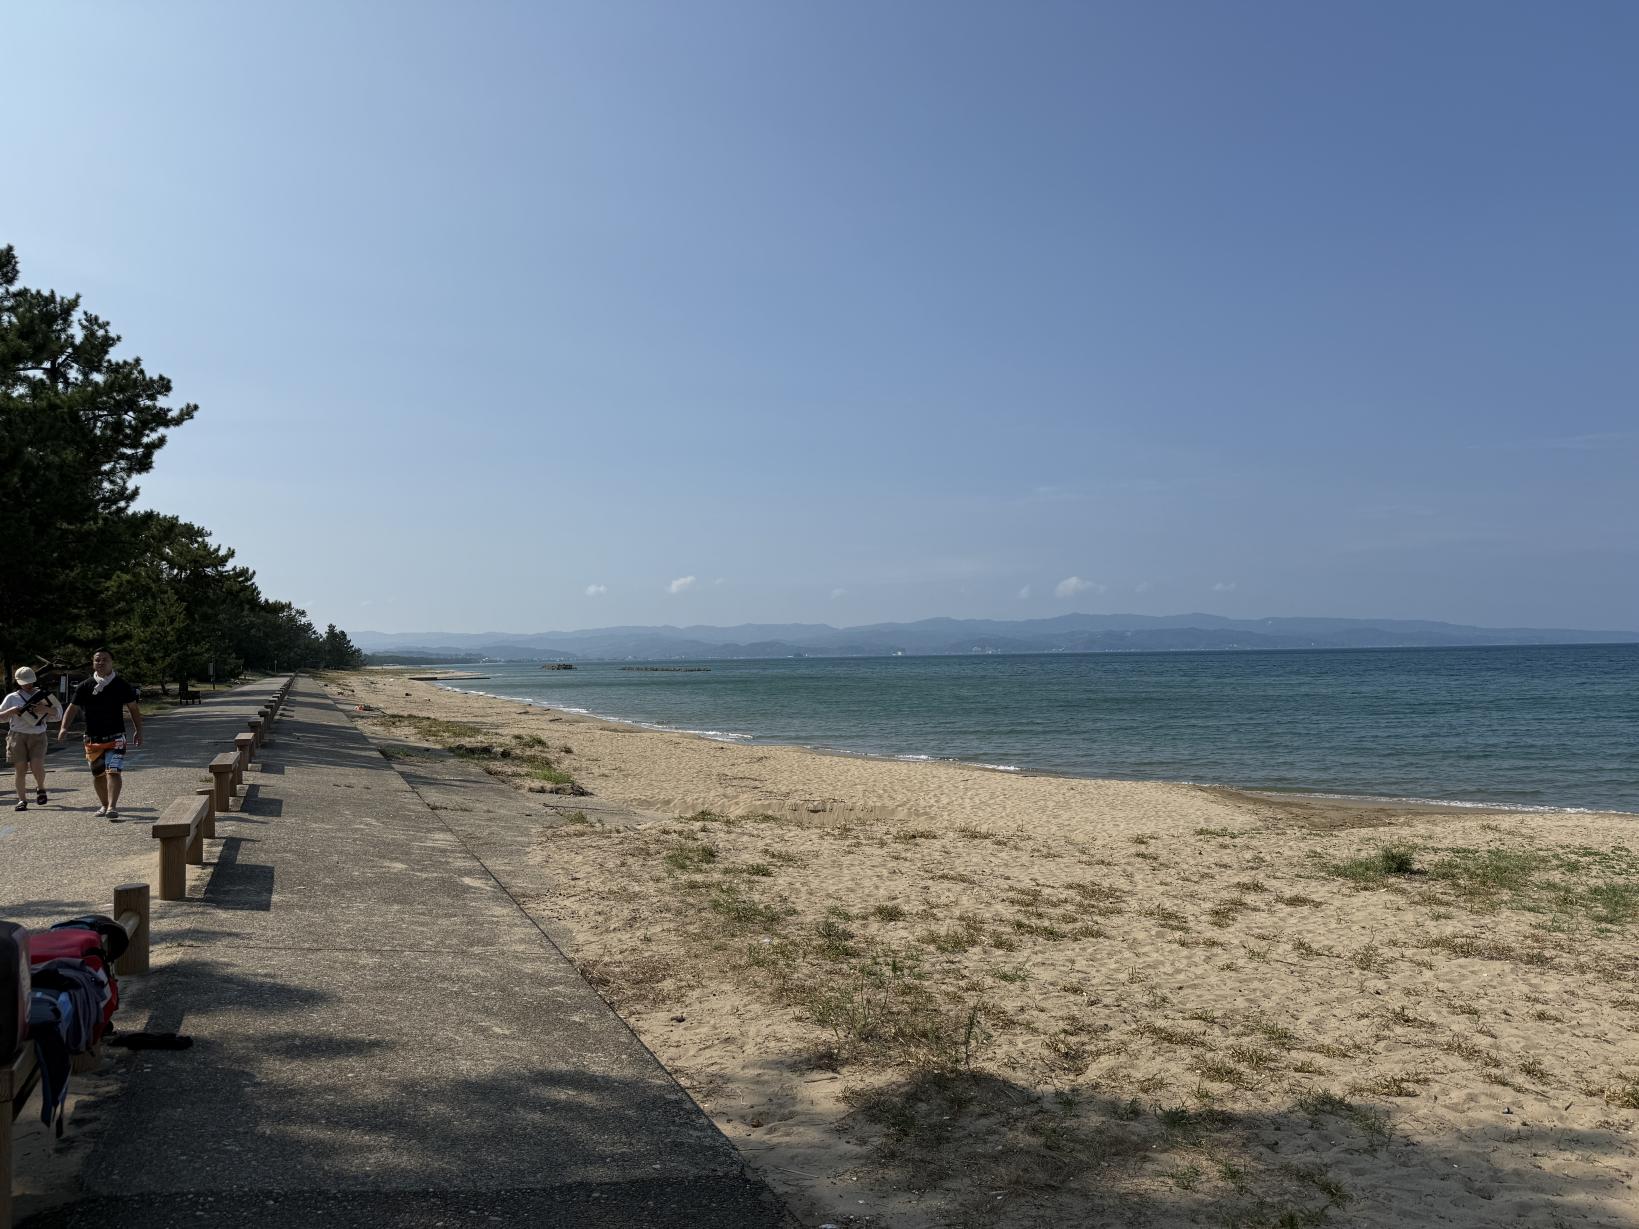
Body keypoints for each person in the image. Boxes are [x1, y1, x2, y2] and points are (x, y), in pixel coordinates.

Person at [57, 649, 143, 820]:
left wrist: (138, 730)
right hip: (92, 738)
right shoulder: (85, 686)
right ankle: (104, 804)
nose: (101, 663)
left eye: (105, 660)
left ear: (112, 662)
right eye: (97, 660)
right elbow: (72, 708)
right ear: (93, 663)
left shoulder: (121, 685)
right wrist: (63, 728)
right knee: (98, 774)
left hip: (116, 736)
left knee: (113, 771)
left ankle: (112, 806)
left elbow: (133, 709)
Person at [1, 666, 64, 811]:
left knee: (37, 765)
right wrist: (11, 711)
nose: (28, 685)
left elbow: (59, 715)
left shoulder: (44, 695)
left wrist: (45, 709)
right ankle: (22, 800)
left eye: (30, 681)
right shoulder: (12, 697)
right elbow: (1, 717)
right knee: (20, 769)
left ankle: (40, 788)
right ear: (18, 682)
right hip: (17, 735)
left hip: (38, 735)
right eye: (24, 682)